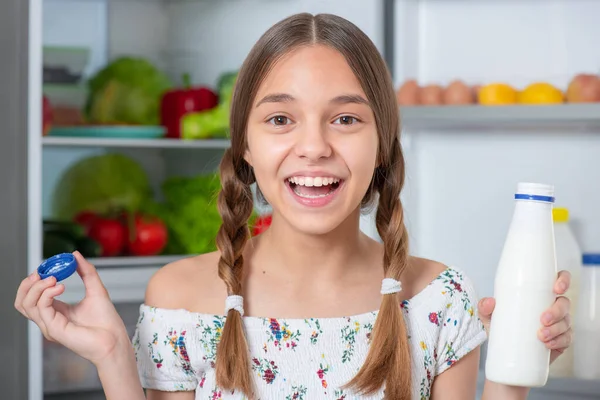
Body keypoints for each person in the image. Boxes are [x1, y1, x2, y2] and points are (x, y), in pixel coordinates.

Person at [15, 13, 572, 400]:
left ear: (383, 145)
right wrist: (113, 353)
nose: (314, 146)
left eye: (346, 118)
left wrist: (515, 364)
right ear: (247, 147)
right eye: (281, 119)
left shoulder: (437, 301)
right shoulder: (181, 300)